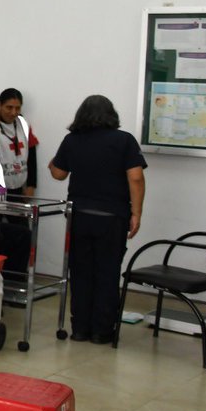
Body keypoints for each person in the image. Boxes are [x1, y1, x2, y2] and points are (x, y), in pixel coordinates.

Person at [49, 95, 147, 344]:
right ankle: (102, 331)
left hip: (79, 216)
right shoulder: (124, 140)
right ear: (111, 115)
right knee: (107, 272)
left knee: (80, 272)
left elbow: (58, 173)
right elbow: (135, 178)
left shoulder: (72, 140)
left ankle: (80, 329)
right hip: (112, 218)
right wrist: (137, 212)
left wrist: (53, 163)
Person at [0, 87, 40, 275]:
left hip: (17, 189)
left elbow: (32, 157)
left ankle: (18, 277)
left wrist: (31, 185)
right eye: (9, 107)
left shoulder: (22, 125)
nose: (13, 112)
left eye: (17, 108)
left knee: (23, 235)